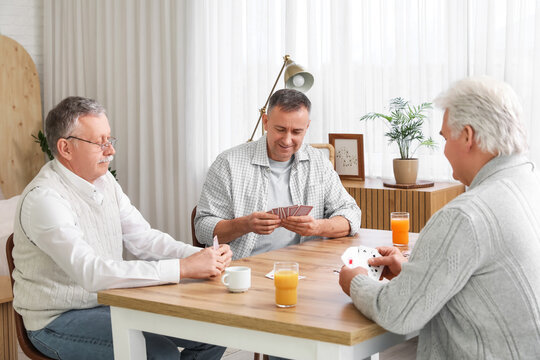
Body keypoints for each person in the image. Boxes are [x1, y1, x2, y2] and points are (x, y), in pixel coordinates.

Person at [12, 96, 232, 360]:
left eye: (110, 140)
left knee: (215, 329)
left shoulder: (105, 182)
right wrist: (184, 268)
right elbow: (91, 273)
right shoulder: (44, 199)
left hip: (109, 302)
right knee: (159, 353)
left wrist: (200, 257)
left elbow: (143, 239)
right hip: (56, 321)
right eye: (100, 142)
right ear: (66, 148)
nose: (110, 150)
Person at [339, 77, 540, 359]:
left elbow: (398, 313)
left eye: (445, 138)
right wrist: (416, 271)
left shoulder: (466, 214)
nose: (443, 149)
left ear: (468, 137)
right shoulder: (529, 184)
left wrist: (356, 281)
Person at [195, 89, 361, 259]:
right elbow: (202, 229)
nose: (287, 140)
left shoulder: (318, 161)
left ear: (307, 127)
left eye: (296, 132)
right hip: (244, 269)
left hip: (306, 267)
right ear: (265, 122)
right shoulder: (227, 163)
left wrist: (317, 227)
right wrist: (244, 224)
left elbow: (351, 214)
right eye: (280, 129)